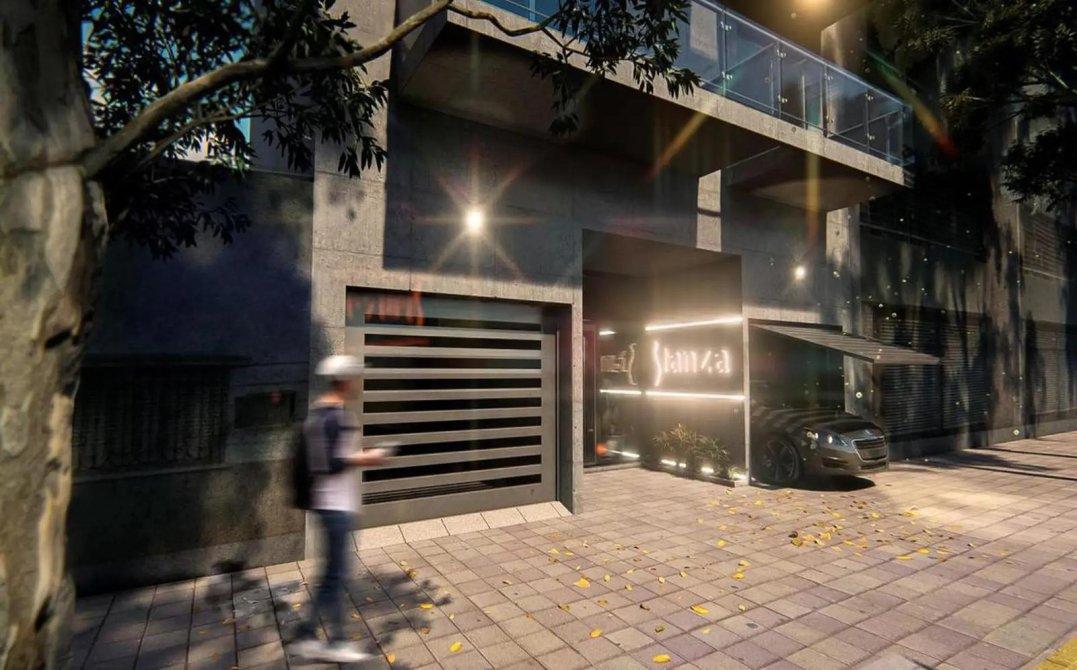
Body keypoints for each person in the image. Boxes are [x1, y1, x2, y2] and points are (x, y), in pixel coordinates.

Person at [291, 355, 389, 663]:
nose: (359, 382)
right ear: (345, 380)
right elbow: (327, 464)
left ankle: (307, 635)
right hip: (333, 507)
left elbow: (335, 456)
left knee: (332, 575)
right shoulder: (329, 416)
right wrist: (366, 458)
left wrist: (359, 455)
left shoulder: (334, 413)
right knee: (336, 576)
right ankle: (335, 641)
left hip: (338, 505)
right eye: (356, 377)